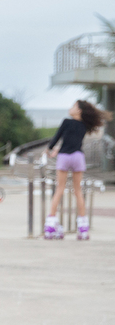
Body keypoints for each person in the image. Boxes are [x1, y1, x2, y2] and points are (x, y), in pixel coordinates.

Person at [44, 100, 110, 240]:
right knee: (78, 191)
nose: (71, 108)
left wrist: (50, 149)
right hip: (78, 157)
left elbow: (57, 138)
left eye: (74, 106)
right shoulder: (84, 125)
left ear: (79, 110)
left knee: (59, 189)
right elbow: (73, 141)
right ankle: (83, 228)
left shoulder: (66, 122)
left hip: (64, 157)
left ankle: (50, 225)